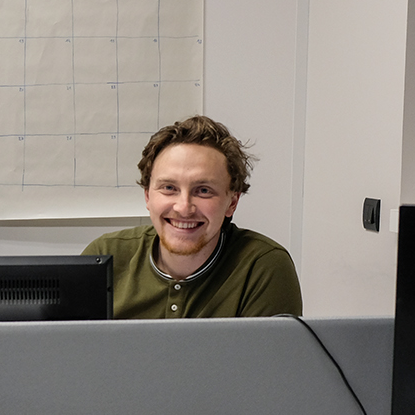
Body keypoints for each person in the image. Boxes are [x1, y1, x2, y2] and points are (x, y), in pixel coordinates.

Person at [83, 115, 301, 319]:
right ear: (148, 196)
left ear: (232, 202)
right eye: (169, 187)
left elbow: (268, 360)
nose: (184, 207)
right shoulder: (104, 257)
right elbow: (69, 353)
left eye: (203, 190)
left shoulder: (262, 267)